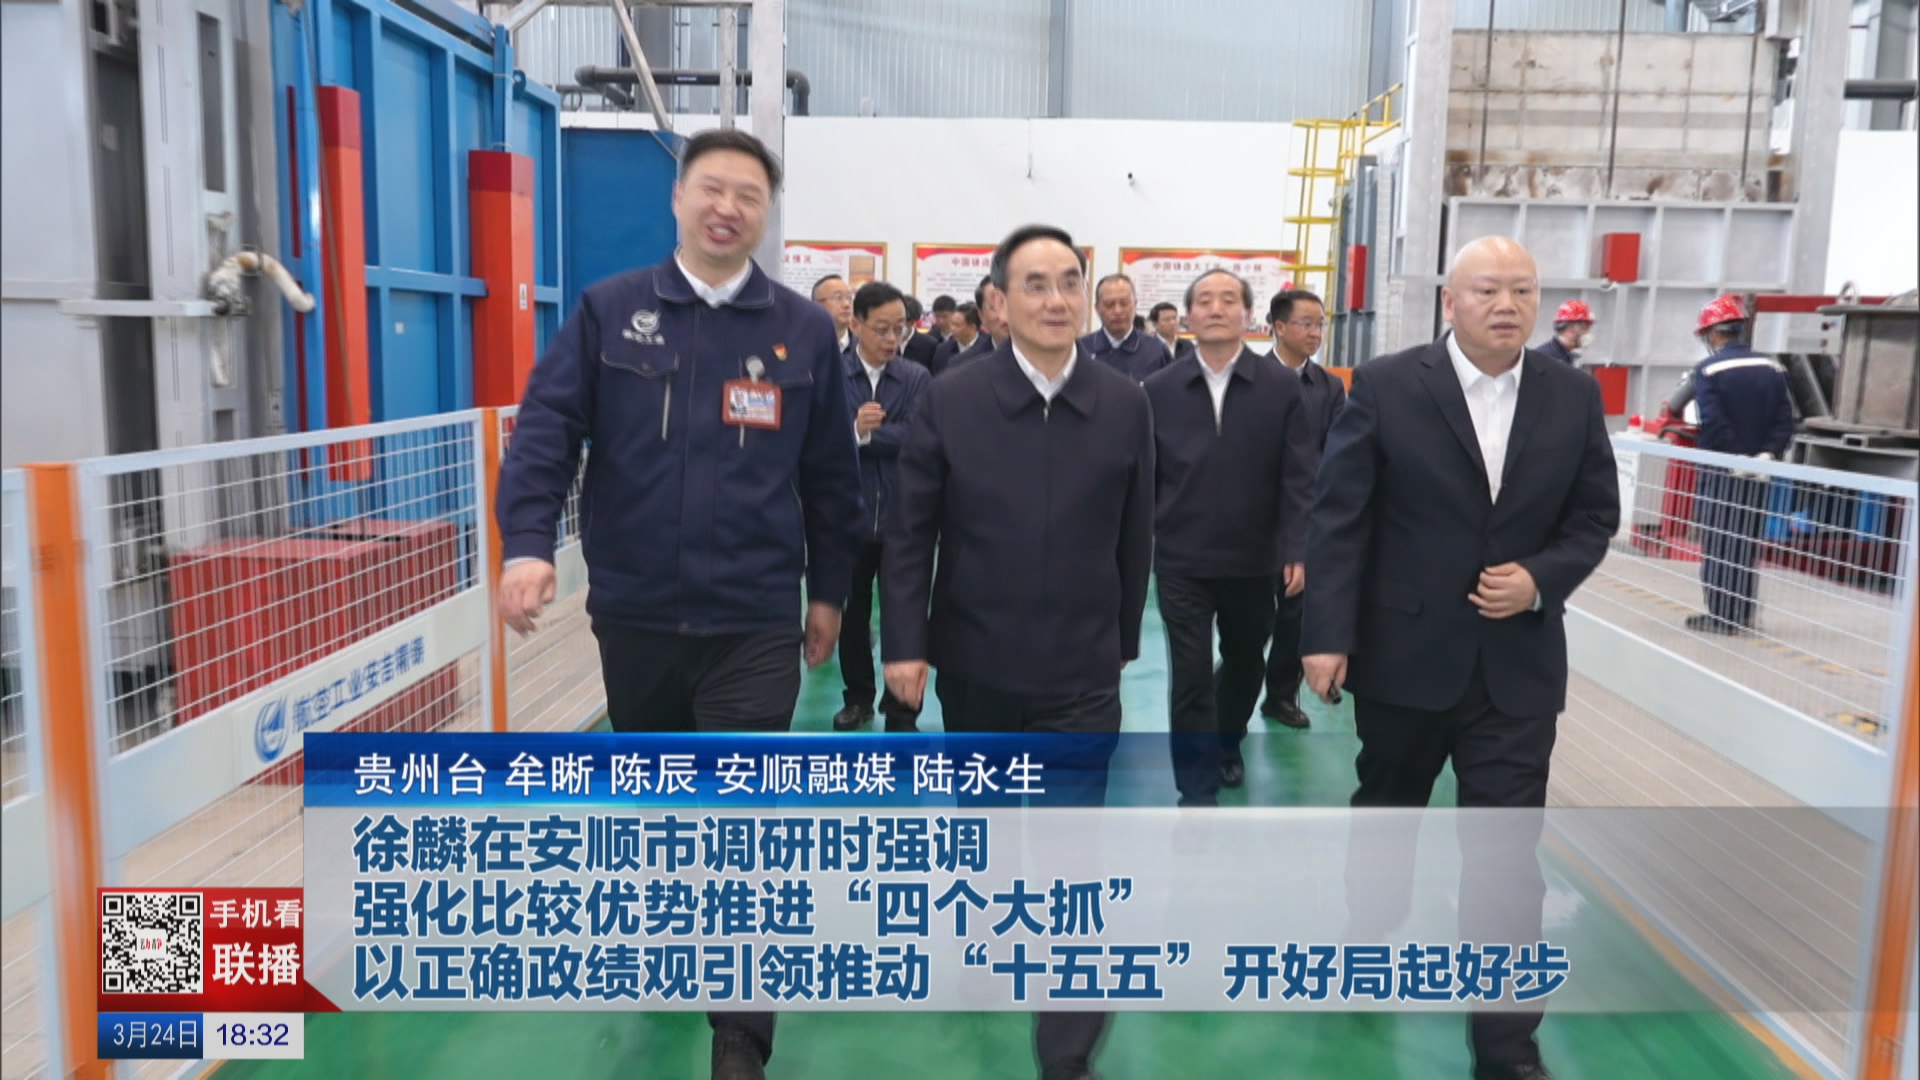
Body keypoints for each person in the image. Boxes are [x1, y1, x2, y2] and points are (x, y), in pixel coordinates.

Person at [495, 129, 863, 1080]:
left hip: (753, 617)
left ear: (765, 214)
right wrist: (527, 543)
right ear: (680, 198)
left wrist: (828, 592)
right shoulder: (610, 313)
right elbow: (546, 430)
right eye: (712, 187)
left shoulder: (802, 331)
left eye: (748, 194)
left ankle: (740, 1036)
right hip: (637, 616)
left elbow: (833, 476)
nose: (727, 207)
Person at [1302, 236, 1618, 1080]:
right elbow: (1340, 516)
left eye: (1523, 289)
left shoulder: (1572, 395)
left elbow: (1594, 517)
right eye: (1487, 290)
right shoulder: (1388, 386)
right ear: (1451, 301)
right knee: (1388, 813)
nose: (1507, 305)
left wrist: (1542, 579)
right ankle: (1371, 936)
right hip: (1405, 656)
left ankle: (1507, 1048)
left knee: (1505, 856)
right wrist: (1326, 635)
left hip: (1516, 667)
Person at [882, 224, 1154, 1080]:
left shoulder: (1124, 403)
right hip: (978, 662)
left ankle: (1066, 1051)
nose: (1057, 299)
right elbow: (910, 531)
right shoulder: (953, 400)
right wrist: (906, 645)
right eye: (1035, 284)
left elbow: (1136, 532)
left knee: (1074, 853)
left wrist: (1120, 639)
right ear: (999, 301)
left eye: (1070, 281)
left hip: (1081, 670)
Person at [1143, 270, 1315, 805]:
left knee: (1245, 660)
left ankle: (1226, 740)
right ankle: (1196, 787)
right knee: (1190, 674)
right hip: (1182, 559)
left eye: (1228, 300)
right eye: (1204, 301)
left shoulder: (1281, 388)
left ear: (1248, 315)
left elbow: (1298, 474)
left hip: (1254, 558)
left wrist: (1296, 547)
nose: (1216, 308)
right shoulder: (1158, 391)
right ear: (1188, 316)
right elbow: (1144, 477)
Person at [835, 281, 931, 731]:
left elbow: (920, 438)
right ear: (856, 325)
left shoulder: (916, 378)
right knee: (852, 614)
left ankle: (902, 712)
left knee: (903, 615)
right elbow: (821, 436)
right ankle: (858, 698)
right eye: (882, 329)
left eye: (900, 329)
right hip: (848, 517)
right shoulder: (833, 373)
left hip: (903, 518)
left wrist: (868, 435)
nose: (892, 338)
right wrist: (854, 431)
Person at [1257, 288, 1346, 729]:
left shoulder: (1329, 387)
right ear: (1279, 327)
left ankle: (1279, 695)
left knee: (1295, 615)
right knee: (1251, 620)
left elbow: (1338, 453)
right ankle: (1230, 687)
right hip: (1253, 521)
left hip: (1307, 518)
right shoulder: (1250, 380)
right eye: (1305, 324)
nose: (1315, 333)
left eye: (1319, 324)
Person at [1686, 294, 1793, 635]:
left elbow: (1712, 420)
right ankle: (1743, 610)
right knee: (1747, 539)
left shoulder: (1708, 370)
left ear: (1713, 334)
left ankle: (1721, 615)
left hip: (1722, 470)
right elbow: (1785, 420)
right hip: (1761, 472)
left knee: (1720, 540)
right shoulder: (1772, 368)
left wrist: (1734, 457)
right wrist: (1768, 455)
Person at [1079, 274, 1171, 381]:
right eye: (1109, 304)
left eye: (1124, 303)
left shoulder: (1156, 350)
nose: (1118, 311)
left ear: (1135, 304)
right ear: (1097, 308)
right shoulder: (1081, 350)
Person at [1537, 299, 1593, 365]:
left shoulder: (1566, 356)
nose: (1587, 333)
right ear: (1571, 328)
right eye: (1585, 328)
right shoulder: (1544, 358)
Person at [812, 273, 854, 353]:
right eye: (838, 297)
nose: (846, 304)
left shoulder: (864, 349)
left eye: (849, 298)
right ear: (817, 305)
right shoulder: (802, 346)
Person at [901, 294, 939, 366]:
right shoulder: (885, 341)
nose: (900, 325)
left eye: (904, 320)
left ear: (913, 321)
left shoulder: (929, 345)